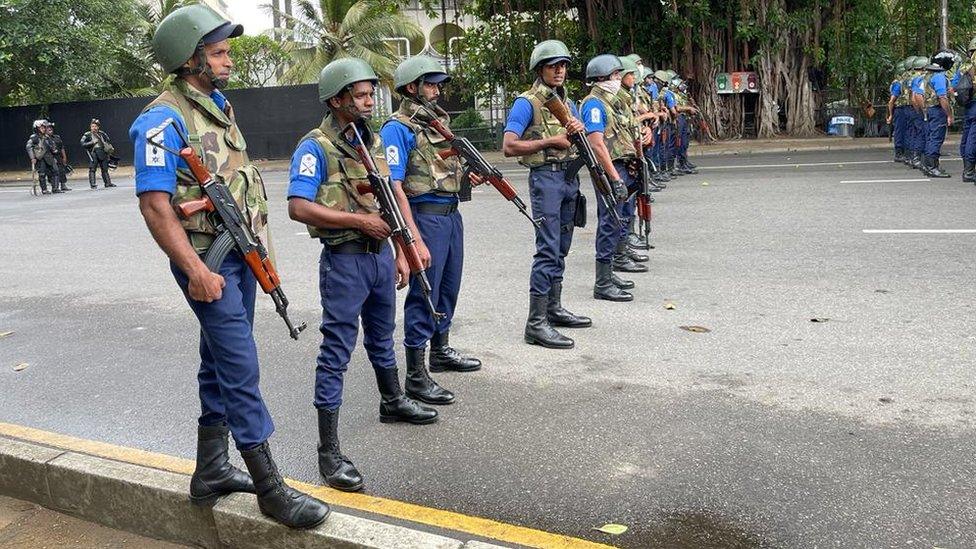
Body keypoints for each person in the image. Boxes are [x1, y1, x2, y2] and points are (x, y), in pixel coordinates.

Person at [128, 4, 328, 528]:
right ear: (189, 60)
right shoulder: (160, 120)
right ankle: (269, 487)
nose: (228, 60)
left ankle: (211, 468)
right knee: (241, 366)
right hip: (208, 263)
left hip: (239, 257)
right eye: (218, 53)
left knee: (217, 358)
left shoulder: (218, 106)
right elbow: (154, 205)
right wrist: (195, 269)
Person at [287, 57, 438, 493]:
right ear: (337, 100)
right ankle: (329, 450)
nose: (371, 101)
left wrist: (404, 248)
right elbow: (297, 207)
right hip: (345, 259)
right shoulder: (315, 146)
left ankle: (392, 401)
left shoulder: (370, 141)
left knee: (380, 334)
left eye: (373, 93)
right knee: (336, 348)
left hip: (378, 257)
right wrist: (358, 223)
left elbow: (394, 198)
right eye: (362, 94)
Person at [380, 55, 482, 389]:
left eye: (438, 85)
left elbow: (440, 171)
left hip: (451, 216)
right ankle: (415, 373)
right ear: (411, 87)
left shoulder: (436, 124)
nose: (437, 92)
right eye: (430, 84)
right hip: (425, 219)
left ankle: (440, 350)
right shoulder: (398, 128)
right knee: (426, 293)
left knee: (448, 287)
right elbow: (395, 185)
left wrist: (467, 176)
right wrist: (411, 238)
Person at [502, 39, 590, 349]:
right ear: (540, 69)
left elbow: (577, 141)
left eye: (564, 65)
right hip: (545, 180)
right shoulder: (527, 103)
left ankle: (553, 308)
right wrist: (548, 141)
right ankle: (536, 324)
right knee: (548, 248)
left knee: (563, 245)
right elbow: (509, 146)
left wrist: (577, 133)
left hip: (568, 179)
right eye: (554, 65)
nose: (560, 70)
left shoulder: (567, 102)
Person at [580, 54, 636, 302]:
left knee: (617, 219)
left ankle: (609, 273)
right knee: (609, 220)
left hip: (620, 167)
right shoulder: (594, 104)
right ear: (601, 78)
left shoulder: (610, 101)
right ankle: (602, 282)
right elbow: (596, 144)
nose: (618, 79)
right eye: (615, 75)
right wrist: (615, 179)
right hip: (608, 169)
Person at [915, 52, 954, 178]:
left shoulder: (927, 76)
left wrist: (924, 109)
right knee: (936, 138)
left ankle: (929, 165)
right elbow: (942, 97)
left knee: (931, 137)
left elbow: (918, 95)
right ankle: (932, 167)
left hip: (930, 110)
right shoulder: (939, 77)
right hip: (937, 110)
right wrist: (948, 114)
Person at [952, 38, 976, 183]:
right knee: (973, 139)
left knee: (967, 137)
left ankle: (967, 168)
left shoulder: (964, 67)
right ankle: (969, 172)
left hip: (968, 105)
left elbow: (955, 86)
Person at [886, 58, 912, 163]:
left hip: (903, 109)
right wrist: (891, 114)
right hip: (900, 109)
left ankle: (905, 152)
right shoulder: (899, 83)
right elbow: (892, 101)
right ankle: (899, 153)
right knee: (900, 131)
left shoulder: (901, 81)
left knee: (906, 131)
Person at [906, 56, 929, 170]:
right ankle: (917, 158)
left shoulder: (910, 78)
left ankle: (913, 157)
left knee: (913, 133)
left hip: (911, 109)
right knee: (921, 133)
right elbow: (915, 97)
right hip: (917, 110)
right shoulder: (920, 78)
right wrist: (922, 110)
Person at [80, 118, 116, 188]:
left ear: (98, 127)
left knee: (105, 169)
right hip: (94, 153)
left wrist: (108, 149)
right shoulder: (87, 134)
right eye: (92, 126)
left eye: (96, 126)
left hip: (103, 152)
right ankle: (93, 184)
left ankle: (108, 183)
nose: (94, 128)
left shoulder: (102, 134)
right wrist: (92, 142)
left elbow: (108, 141)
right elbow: (82, 143)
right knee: (92, 169)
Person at [25, 120, 57, 195]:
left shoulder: (47, 137)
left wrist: (53, 149)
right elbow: (29, 146)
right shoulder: (34, 137)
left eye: (44, 128)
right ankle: (44, 189)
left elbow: (52, 146)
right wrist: (32, 157)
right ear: (37, 128)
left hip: (49, 157)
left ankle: (55, 188)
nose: (43, 129)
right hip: (40, 158)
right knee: (42, 174)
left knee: (55, 171)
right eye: (41, 128)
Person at [46, 123, 71, 192]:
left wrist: (64, 156)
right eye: (48, 128)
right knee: (52, 172)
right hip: (50, 157)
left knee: (62, 170)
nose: (50, 129)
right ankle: (54, 186)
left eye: (51, 127)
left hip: (58, 156)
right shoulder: (45, 139)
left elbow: (62, 147)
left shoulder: (57, 137)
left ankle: (63, 185)